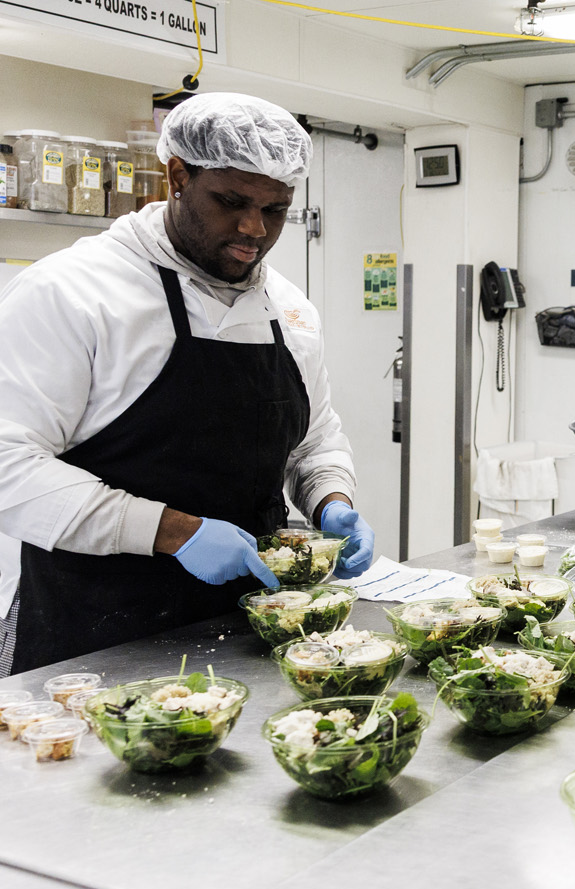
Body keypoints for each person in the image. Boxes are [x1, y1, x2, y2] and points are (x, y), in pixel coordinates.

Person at [0, 93, 376, 676]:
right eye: (232, 202)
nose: (254, 229)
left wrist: (331, 500)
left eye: (276, 209)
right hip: (95, 631)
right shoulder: (73, 292)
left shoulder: (289, 309)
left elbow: (313, 439)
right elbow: (8, 462)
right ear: (177, 176)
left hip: (256, 627)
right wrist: (175, 532)